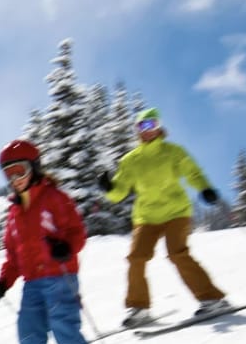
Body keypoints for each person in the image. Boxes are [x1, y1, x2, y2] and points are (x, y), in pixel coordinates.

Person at [0, 138, 111, 344]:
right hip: (32, 282)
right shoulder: (14, 213)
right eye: (9, 174)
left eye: (19, 171)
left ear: (34, 167)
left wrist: (66, 247)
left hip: (59, 274)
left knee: (62, 322)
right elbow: (13, 256)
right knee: (28, 328)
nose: (15, 179)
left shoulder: (54, 198)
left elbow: (77, 232)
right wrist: (3, 282)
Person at [99, 107, 231, 327]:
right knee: (136, 257)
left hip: (176, 212)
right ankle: (139, 308)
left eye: (151, 124)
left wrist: (205, 188)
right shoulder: (131, 160)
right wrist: (109, 188)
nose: (147, 130)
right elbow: (120, 192)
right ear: (137, 130)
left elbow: (193, 173)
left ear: (159, 127)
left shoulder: (173, 152)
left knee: (177, 253)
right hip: (146, 216)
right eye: (142, 126)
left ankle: (212, 299)